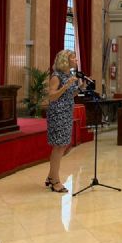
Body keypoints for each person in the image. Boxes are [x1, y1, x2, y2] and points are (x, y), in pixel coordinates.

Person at [46, 49, 82, 193]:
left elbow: (70, 94)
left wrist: (79, 88)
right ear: (65, 61)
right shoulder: (57, 77)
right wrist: (66, 85)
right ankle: (55, 181)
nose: (76, 60)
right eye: (74, 58)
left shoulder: (70, 75)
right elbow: (52, 96)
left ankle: (50, 176)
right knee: (58, 146)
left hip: (67, 112)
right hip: (57, 114)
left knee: (62, 146)